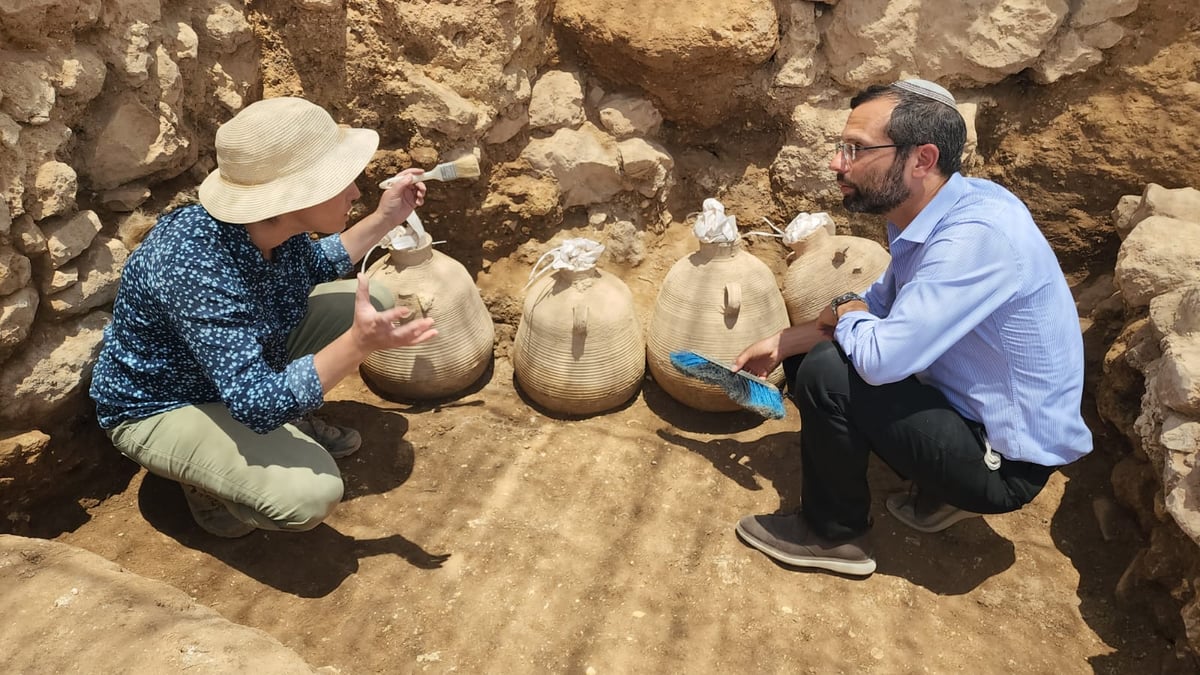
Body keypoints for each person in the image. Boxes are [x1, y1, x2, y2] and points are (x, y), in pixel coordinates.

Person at [732, 79, 1092, 577]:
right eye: (842, 148)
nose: (838, 163)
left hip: (1006, 465)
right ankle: (938, 485)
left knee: (829, 371)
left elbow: (881, 360)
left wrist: (840, 315)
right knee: (814, 350)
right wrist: (783, 341)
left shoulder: (974, 238)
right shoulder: (933, 208)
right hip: (972, 412)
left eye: (855, 149)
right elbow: (877, 306)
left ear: (921, 159)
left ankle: (834, 536)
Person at [89, 96, 439, 538]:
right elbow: (257, 403)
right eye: (340, 181)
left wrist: (387, 217)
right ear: (293, 196)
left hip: (230, 370)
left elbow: (315, 265)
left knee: (375, 299)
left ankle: (271, 432)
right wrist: (357, 344)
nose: (355, 192)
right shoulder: (194, 264)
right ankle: (206, 484)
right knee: (309, 495)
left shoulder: (271, 227)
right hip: (164, 403)